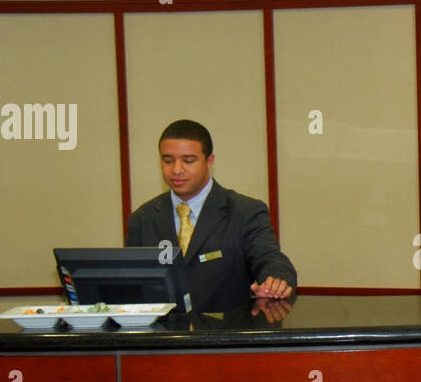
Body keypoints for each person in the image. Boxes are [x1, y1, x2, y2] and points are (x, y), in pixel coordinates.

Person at [126, 119, 296, 316]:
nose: (177, 169)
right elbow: (132, 284)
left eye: (188, 161)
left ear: (209, 161)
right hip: (162, 340)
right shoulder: (142, 219)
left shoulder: (245, 211)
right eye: (168, 160)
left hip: (225, 337)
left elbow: (270, 259)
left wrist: (276, 281)